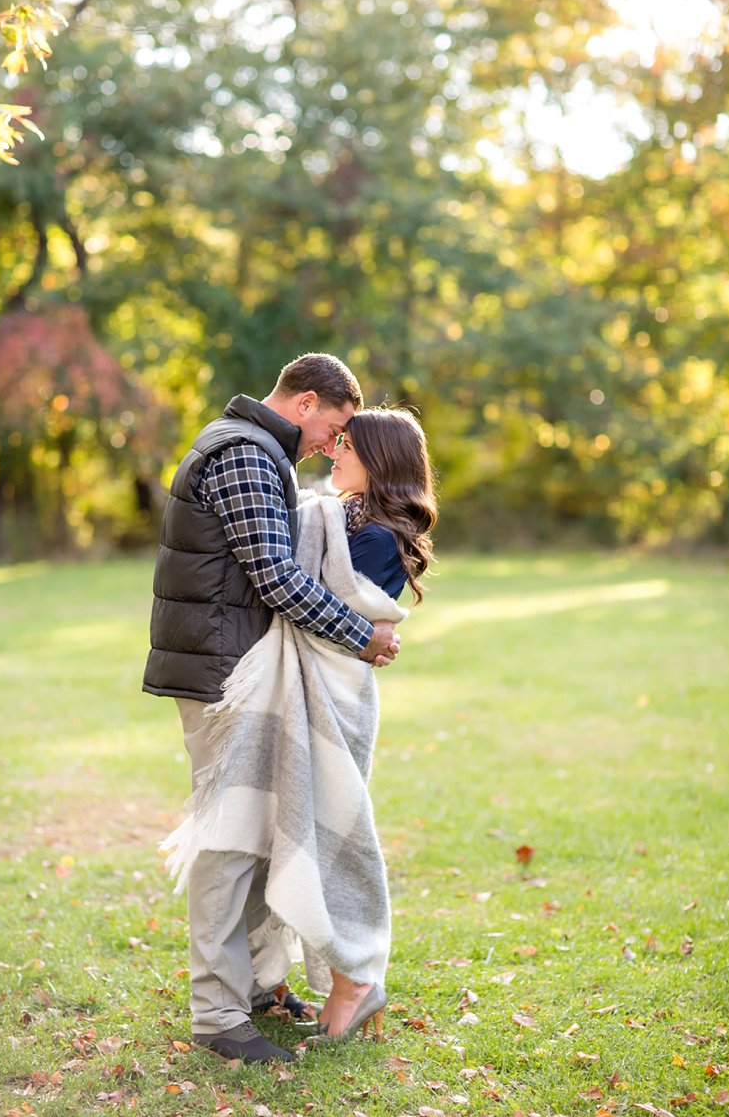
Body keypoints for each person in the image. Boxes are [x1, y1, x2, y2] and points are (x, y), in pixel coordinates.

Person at [143, 353, 402, 1064]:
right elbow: (278, 576)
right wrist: (364, 635)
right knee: (228, 844)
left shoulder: (257, 450)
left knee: (257, 833)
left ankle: (258, 986)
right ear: (306, 400)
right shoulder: (245, 454)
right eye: (336, 425)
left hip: (239, 662)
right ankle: (218, 1012)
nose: (333, 442)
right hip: (226, 671)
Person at [314, 406, 438, 1041]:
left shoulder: (374, 536)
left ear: (379, 460)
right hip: (331, 691)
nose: (334, 456)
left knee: (333, 839)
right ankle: (346, 985)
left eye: (347, 448)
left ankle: (355, 982)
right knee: (320, 836)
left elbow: (323, 610)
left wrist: (373, 629)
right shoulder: (355, 522)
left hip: (335, 697)